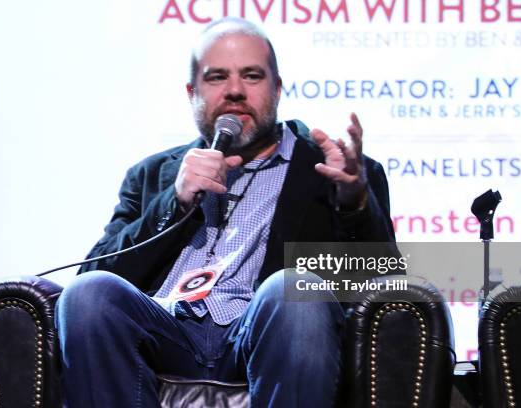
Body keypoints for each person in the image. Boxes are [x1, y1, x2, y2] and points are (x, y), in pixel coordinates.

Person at [55, 17, 395, 408]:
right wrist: (175, 201)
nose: (235, 90)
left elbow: (383, 283)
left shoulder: (333, 171)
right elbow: (95, 278)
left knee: (292, 289)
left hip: (262, 330)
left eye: (252, 76)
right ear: (192, 92)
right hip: (165, 332)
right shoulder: (153, 174)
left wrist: (354, 204)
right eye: (217, 77)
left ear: (278, 88)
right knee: (89, 293)